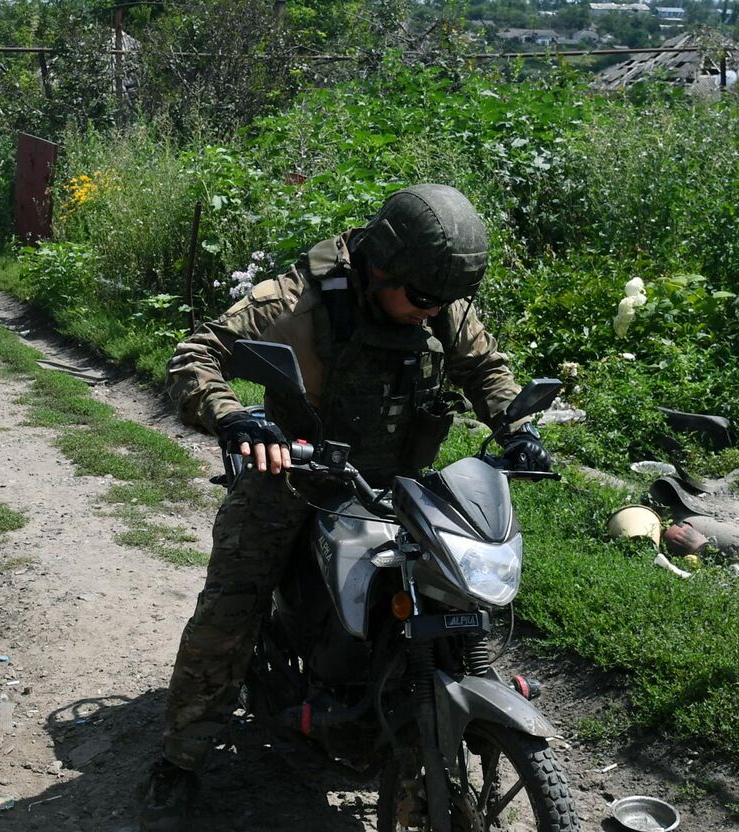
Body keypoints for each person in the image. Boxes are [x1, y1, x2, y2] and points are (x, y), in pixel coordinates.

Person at [139, 183, 551, 830]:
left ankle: (431, 708)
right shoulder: (300, 298)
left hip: (393, 487)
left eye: (443, 301)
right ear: (379, 267)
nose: (431, 312)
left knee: (453, 595)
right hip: (292, 479)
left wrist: (515, 428)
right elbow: (197, 355)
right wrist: (237, 419)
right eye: (419, 298)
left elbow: (485, 366)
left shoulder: (433, 298)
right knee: (230, 609)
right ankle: (179, 760)